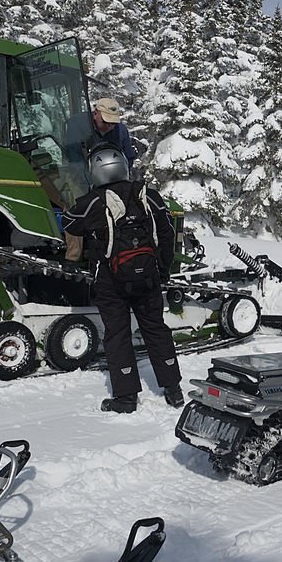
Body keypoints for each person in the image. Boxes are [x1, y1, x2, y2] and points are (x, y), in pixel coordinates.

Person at [61, 144, 183, 412]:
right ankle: (173, 389)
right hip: (149, 277)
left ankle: (126, 398)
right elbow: (166, 233)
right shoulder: (148, 196)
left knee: (117, 335)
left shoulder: (93, 202)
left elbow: (69, 222)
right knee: (156, 329)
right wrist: (163, 269)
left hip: (110, 280)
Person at [92, 97, 138, 167]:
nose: (109, 126)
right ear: (95, 114)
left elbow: (129, 158)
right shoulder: (81, 128)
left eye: (113, 123)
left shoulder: (121, 130)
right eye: (105, 122)